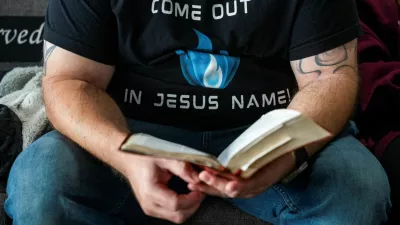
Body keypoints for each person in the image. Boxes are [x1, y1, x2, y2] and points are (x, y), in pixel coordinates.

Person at [4, 0, 391, 224]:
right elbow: (70, 80)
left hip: (271, 128)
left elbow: (329, 77)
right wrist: (127, 157)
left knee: (359, 188)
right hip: (129, 129)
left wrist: (286, 152)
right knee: (39, 182)